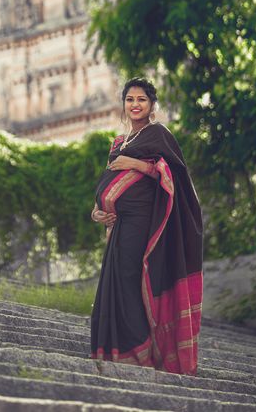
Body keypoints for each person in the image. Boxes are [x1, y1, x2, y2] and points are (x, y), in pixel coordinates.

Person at [90, 77, 203, 375]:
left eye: (141, 99)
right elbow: (107, 184)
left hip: (144, 223)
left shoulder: (159, 135)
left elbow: (174, 176)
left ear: (152, 104)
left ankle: (142, 353)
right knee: (114, 283)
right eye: (130, 99)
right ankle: (117, 351)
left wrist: (137, 165)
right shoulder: (119, 142)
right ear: (124, 104)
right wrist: (97, 213)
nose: (135, 104)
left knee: (131, 280)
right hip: (119, 225)